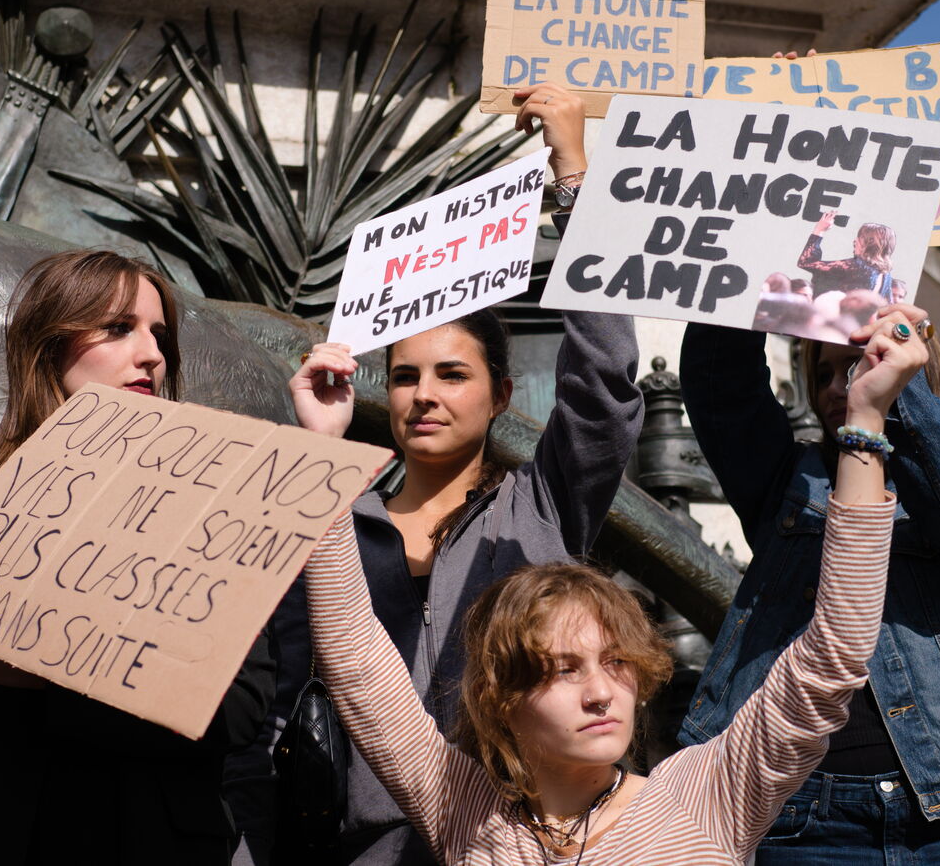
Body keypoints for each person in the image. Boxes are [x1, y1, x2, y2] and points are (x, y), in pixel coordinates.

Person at [300, 310, 921, 864]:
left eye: (617, 662)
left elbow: (835, 651)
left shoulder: (707, 798)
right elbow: (354, 655)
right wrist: (322, 447)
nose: (601, 693)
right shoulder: (463, 813)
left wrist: (865, 424)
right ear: (501, 698)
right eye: (561, 669)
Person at [231, 81, 642, 866]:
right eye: (406, 376)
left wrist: (573, 179)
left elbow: (605, 381)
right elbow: (274, 709)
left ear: (502, 395)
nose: (424, 395)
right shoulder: (336, 525)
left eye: (452, 374)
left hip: (511, 843)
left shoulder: (541, 508)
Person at [0, 250, 276, 866]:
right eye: (118, 328)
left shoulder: (217, 506)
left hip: (137, 838)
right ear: (47, 346)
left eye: (160, 334)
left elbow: (239, 709)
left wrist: (49, 682)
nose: (151, 353)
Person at [677, 304, 940, 862]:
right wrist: (751, 280)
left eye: (856, 367)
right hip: (803, 818)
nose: (838, 387)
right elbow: (723, 388)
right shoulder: (789, 480)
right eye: (823, 374)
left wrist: (892, 399)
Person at [797, 208, 896, 302]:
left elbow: (805, 262)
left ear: (868, 243)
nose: (855, 241)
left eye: (860, 237)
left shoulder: (855, 266)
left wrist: (819, 230)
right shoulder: (885, 275)